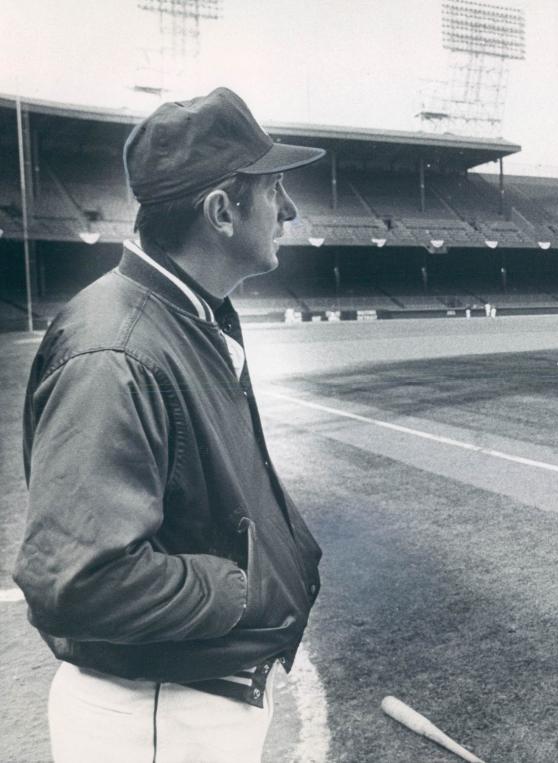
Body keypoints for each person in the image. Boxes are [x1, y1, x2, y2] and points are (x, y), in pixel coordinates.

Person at [15, 88, 325, 762]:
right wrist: (246, 587)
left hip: (183, 704)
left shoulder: (188, 314)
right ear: (220, 210)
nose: (290, 210)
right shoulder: (116, 350)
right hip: (155, 721)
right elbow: (79, 579)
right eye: (273, 189)